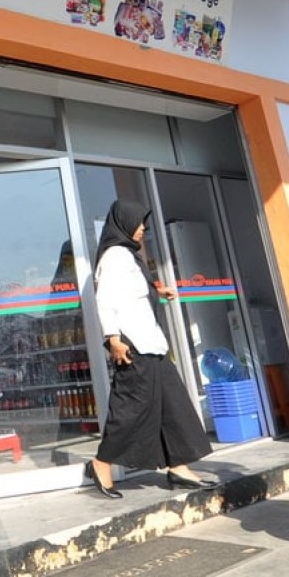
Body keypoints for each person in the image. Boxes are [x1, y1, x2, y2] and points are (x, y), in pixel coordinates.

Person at [84, 199, 216, 499]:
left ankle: (178, 467)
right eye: (138, 221)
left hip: (152, 343)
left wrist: (156, 289)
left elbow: (131, 291)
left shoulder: (129, 255)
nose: (143, 227)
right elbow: (105, 299)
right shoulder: (114, 256)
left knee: (173, 405)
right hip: (132, 344)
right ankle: (101, 463)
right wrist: (113, 338)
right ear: (123, 223)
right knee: (131, 408)